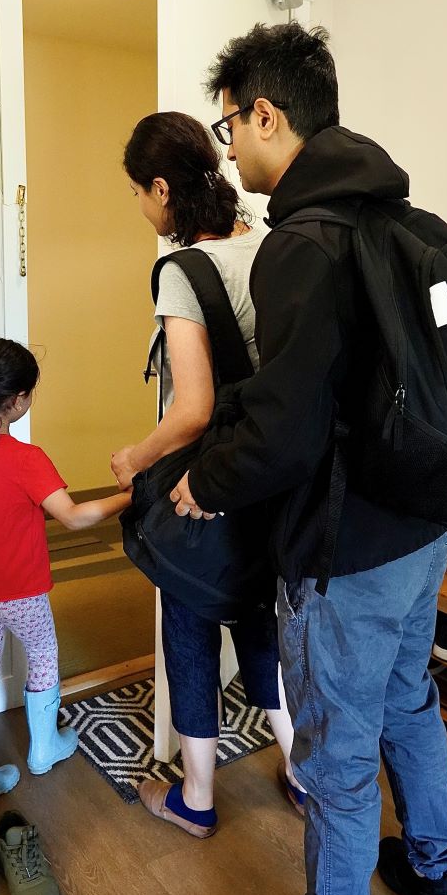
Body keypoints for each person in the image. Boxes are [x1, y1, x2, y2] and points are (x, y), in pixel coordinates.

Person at [170, 24, 447, 895]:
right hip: (425, 533)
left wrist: (207, 483)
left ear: (266, 113)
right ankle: (437, 880)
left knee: (336, 761)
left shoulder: (302, 243)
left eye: (231, 124)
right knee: (413, 705)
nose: (229, 148)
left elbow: (289, 432)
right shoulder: (402, 224)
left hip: (347, 555)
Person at [111, 110, 306, 838]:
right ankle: (298, 772)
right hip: (279, 477)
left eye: (136, 191)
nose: (139, 206)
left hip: (212, 486)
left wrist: (135, 456)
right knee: (262, 621)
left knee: (190, 628)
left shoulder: (182, 271)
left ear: (160, 189)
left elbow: (191, 411)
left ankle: (196, 795)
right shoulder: (269, 245)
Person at [0, 337, 130, 814]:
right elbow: (73, 517)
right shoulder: (27, 459)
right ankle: (44, 749)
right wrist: (132, 497)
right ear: (19, 399)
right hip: (20, 591)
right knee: (44, 655)